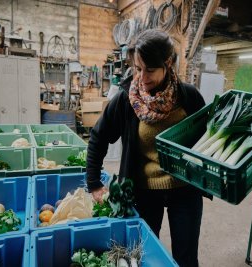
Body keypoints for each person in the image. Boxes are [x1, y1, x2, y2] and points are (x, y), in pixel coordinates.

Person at [86, 29, 205, 267]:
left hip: (185, 191)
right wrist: (94, 184)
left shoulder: (189, 98)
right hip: (144, 190)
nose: (142, 77)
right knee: (143, 254)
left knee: (186, 256)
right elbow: (98, 137)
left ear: (167, 63)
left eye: (150, 70)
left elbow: (205, 140)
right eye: (138, 69)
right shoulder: (127, 99)